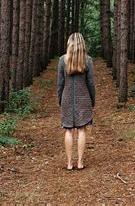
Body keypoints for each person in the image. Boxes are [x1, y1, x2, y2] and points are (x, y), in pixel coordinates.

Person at [57, 33, 95, 171]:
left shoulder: (63, 60)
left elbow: (60, 84)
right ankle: (79, 162)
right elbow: (91, 84)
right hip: (84, 98)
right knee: (81, 130)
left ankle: (69, 163)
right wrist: (92, 100)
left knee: (68, 130)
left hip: (67, 98)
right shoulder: (88, 60)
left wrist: (60, 99)